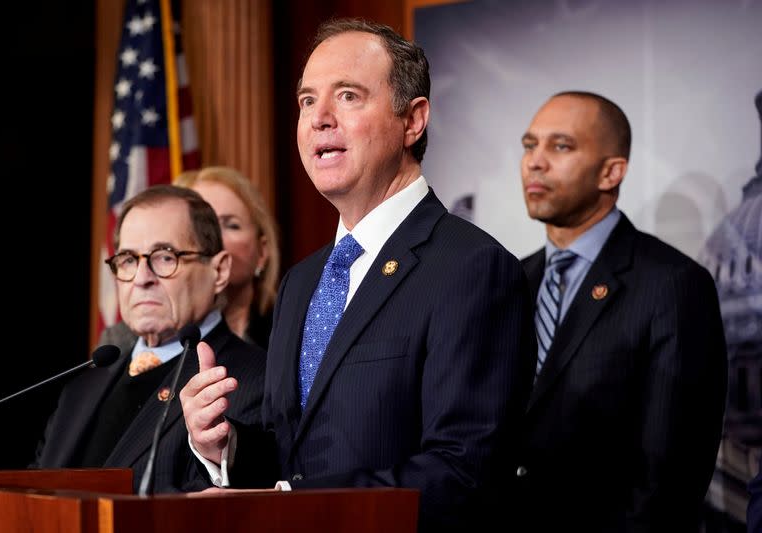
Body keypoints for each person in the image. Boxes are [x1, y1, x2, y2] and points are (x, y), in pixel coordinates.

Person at [180, 18, 536, 531]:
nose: (319, 118)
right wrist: (227, 445)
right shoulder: (302, 282)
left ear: (413, 121)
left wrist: (292, 504)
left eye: (347, 96)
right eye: (306, 101)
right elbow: (294, 459)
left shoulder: (471, 268)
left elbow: (464, 473)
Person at [515, 91, 728, 531]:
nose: (535, 161)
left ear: (611, 172)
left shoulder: (673, 284)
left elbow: (669, 476)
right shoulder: (511, 281)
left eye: (561, 146)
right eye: (529, 144)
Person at [33, 185, 267, 493]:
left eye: (165, 257)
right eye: (128, 260)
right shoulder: (81, 388)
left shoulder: (254, 379)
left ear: (219, 271)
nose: (142, 278)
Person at [174, 166, 280, 349]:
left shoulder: (295, 336)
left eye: (231, 225)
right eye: (200, 227)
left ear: (262, 252)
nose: (212, 237)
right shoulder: (135, 342)